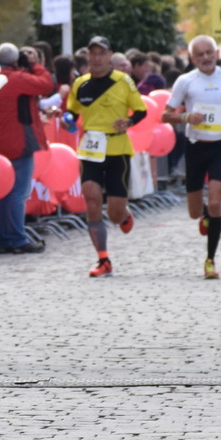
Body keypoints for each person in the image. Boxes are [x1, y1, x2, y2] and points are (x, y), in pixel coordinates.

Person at [66, 35, 149, 277]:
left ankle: (123, 214)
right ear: (88, 56)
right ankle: (103, 260)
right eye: (93, 53)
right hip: (91, 149)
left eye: (101, 53)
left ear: (110, 56)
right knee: (91, 200)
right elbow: (71, 112)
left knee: (114, 213)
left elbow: (141, 111)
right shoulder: (80, 83)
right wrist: (66, 119)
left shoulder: (123, 81)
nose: (97, 57)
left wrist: (129, 121)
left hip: (117, 150)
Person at [163, 35, 221, 278]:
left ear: (217, 53)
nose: (206, 58)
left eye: (210, 52)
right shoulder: (185, 82)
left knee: (217, 201)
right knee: (194, 211)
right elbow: (166, 115)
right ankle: (205, 213)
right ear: (192, 58)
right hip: (195, 146)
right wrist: (186, 117)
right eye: (201, 54)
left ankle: (210, 260)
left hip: (219, 146)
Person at [0, 42, 54, 254]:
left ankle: (5, 238)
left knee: (4, 193)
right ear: (15, 61)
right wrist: (34, 64)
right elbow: (46, 84)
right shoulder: (16, 78)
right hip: (19, 140)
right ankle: (16, 238)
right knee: (18, 193)